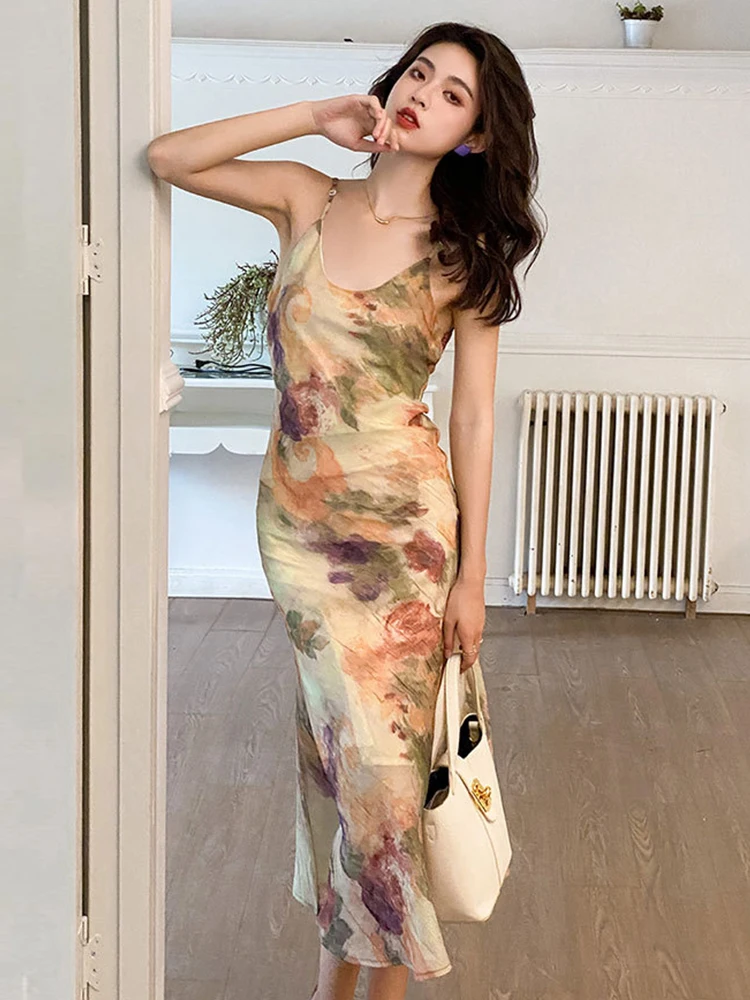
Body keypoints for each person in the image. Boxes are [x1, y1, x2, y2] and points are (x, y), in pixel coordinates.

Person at [148, 19, 544, 1000]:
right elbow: (167, 159)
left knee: (381, 783)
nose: (423, 94)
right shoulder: (306, 196)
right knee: (348, 768)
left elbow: (473, 420)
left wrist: (472, 578)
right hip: (299, 535)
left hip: (407, 545)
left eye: (452, 94)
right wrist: (311, 115)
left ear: (474, 137)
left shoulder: (464, 255)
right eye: (420, 72)